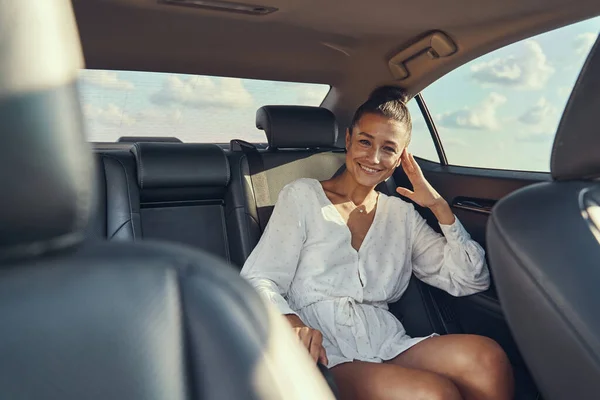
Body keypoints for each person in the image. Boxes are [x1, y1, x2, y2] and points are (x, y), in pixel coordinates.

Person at [240, 86, 514, 400]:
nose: (373, 157)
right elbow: (259, 278)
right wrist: (289, 321)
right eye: (365, 142)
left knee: (487, 358)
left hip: (388, 343)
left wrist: (439, 207)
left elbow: (470, 280)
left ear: (401, 157)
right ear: (348, 140)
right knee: (432, 394)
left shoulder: (402, 215)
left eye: (388, 148)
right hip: (326, 350)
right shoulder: (302, 196)